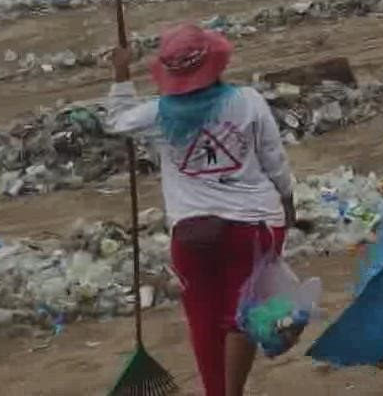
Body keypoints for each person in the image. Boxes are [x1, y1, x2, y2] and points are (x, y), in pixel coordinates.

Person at [102, 23, 297, 396]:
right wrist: (287, 201)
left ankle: (215, 391)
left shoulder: (156, 114)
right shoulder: (248, 100)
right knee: (242, 315)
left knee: (203, 322)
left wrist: (121, 72)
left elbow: (115, 121)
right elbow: (274, 159)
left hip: (191, 234)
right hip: (252, 224)